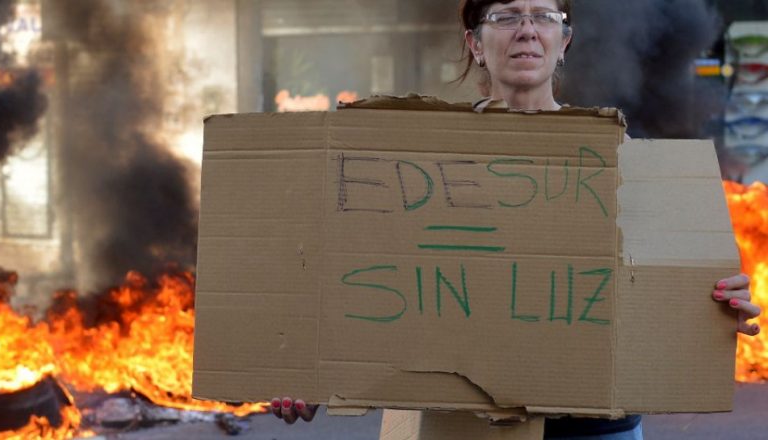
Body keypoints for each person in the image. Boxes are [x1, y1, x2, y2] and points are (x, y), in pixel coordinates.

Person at [271, 0, 763, 438]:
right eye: (505, 16)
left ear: (563, 40)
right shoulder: (422, 160)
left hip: (593, 428)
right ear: (475, 43)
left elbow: (664, 287)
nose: (526, 29)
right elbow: (377, 285)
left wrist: (713, 308)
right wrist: (316, 377)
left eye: (544, 17)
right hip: (459, 427)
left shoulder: (618, 156)